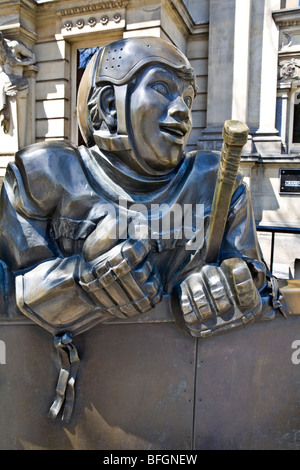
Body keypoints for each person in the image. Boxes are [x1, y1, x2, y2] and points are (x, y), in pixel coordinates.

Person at [0, 36, 274, 340]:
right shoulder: (45, 174)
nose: (183, 111)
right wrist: (79, 280)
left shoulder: (216, 183)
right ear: (108, 107)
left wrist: (231, 286)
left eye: (188, 98)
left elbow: (260, 286)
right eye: (161, 88)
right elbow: (8, 286)